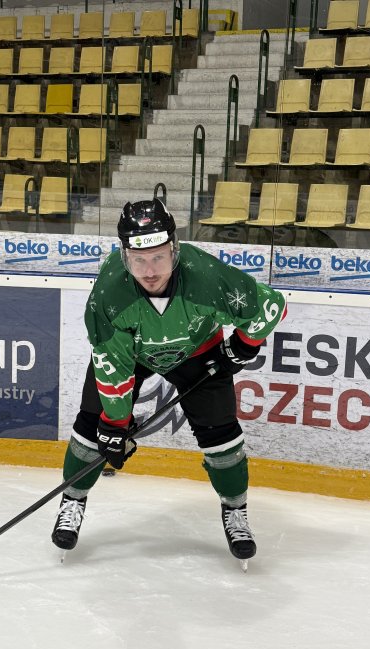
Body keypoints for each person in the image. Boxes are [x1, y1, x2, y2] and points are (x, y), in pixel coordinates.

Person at [52, 198, 287, 563]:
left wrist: (243, 343)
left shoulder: (205, 276)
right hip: (132, 355)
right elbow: (113, 362)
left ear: (174, 250)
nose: (149, 271)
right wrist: (115, 423)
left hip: (198, 352)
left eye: (158, 258)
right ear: (124, 257)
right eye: (139, 260)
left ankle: (235, 509)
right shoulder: (110, 295)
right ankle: (73, 500)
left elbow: (270, 305)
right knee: (93, 423)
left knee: (220, 433)